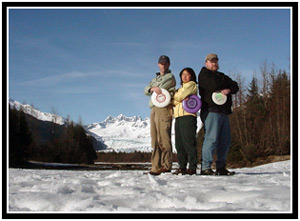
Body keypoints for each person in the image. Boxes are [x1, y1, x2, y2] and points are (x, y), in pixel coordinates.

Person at [198, 53, 239, 176]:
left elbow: (235, 86)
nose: (214, 63)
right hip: (211, 111)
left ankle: (221, 167)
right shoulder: (204, 74)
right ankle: (205, 167)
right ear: (206, 63)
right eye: (211, 61)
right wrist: (226, 85)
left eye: (216, 61)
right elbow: (214, 85)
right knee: (211, 139)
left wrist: (229, 89)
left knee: (225, 141)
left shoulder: (221, 75)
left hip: (224, 112)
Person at [144, 55, 176, 175]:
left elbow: (162, 88)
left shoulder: (170, 77)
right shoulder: (155, 79)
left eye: (165, 63)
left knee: (164, 138)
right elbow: (145, 90)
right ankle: (155, 166)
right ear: (158, 64)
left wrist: (153, 88)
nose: (163, 65)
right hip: (154, 108)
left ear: (169, 65)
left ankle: (166, 165)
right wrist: (152, 88)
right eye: (161, 63)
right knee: (155, 139)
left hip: (164, 107)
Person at [172, 68, 198, 175]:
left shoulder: (192, 85)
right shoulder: (180, 89)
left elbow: (179, 96)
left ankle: (192, 167)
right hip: (178, 117)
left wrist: (178, 97)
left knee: (189, 142)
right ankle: (182, 166)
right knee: (179, 144)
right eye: (183, 74)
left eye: (187, 74)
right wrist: (178, 98)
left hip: (188, 116)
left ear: (191, 76)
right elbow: (173, 100)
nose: (185, 76)